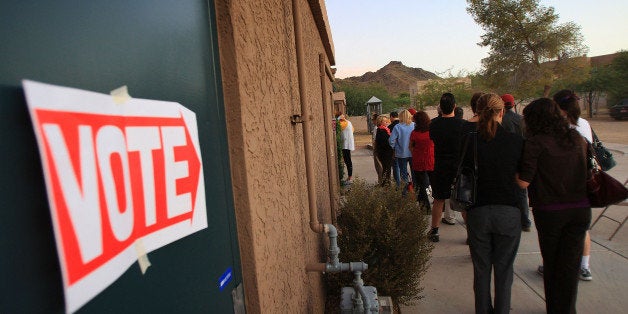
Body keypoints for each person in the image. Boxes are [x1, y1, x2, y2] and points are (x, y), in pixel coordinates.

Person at [517, 98, 590, 314]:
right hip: (580, 209)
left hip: (551, 212)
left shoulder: (536, 142)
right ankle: (568, 309)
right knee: (569, 266)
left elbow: (524, 182)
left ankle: (556, 309)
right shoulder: (576, 138)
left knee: (552, 264)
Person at [465, 93, 524, 314]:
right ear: (502, 111)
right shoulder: (516, 141)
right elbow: (522, 181)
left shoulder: (469, 140)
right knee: (504, 270)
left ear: (477, 112)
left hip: (478, 211)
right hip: (508, 211)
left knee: (481, 270)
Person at [554, 89, 594, 281]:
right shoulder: (585, 125)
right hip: (582, 186)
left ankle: (554, 265)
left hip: (561, 186)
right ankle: (584, 266)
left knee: (558, 231)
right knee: (582, 228)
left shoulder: (556, 127)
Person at [428, 93, 465, 242]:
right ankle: (472, 235)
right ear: (454, 107)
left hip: (440, 165)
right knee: (463, 200)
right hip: (458, 166)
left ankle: (434, 231)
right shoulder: (462, 125)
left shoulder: (434, 124)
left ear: (440, 107)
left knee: (439, 199)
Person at [501, 93, 532, 232]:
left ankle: (511, 221)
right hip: (522, 158)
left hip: (507, 159)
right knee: (521, 193)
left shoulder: (501, 121)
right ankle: (525, 221)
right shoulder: (521, 120)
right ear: (513, 104)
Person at [410, 111, 434, 213]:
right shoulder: (432, 132)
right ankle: (439, 204)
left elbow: (411, 146)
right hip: (431, 160)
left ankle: (425, 207)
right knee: (434, 183)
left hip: (418, 160)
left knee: (420, 185)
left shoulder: (414, 133)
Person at [389, 110, 415, 193]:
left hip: (401, 153)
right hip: (413, 153)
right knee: (414, 173)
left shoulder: (398, 127)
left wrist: (395, 147)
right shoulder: (414, 125)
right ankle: (415, 191)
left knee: (403, 174)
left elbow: (391, 140)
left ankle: (405, 193)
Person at [375, 115, 394, 186]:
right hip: (385, 153)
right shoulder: (381, 130)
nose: (387, 122)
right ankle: (386, 183)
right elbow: (385, 142)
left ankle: (386, 182)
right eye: (385, 121)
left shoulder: (385, 129)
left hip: (386, 152)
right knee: (386, 168)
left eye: (387, 121)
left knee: (387, 168)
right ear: (380, 122)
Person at [338, 114, 355, 184]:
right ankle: (350, 176)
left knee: (347, 160)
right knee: (348, 160)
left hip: (345, 145)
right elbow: (353, 130)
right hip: (348, 144)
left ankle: (350, 177)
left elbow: (338, 128)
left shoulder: (343, 123)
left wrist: (338, 119)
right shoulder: (349, 122)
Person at [388, 111, 401, 186]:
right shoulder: (402, 124)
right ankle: (404, 184)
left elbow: (391, 140)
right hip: (405, 150)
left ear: (391, 117)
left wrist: (392, 147)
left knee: (396, 167)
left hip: (395, 150)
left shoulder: (391, 127)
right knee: (403, 167)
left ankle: (398, 185)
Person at [371, 113, 383, 185]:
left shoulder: (376, 128)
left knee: (378, 166)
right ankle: (380, 181)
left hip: (377, 149)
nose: (372, 121)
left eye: (373, 119)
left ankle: (380, 182)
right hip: (379, 149)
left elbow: (375, 140)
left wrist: (375, 149)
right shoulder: (379, 128)